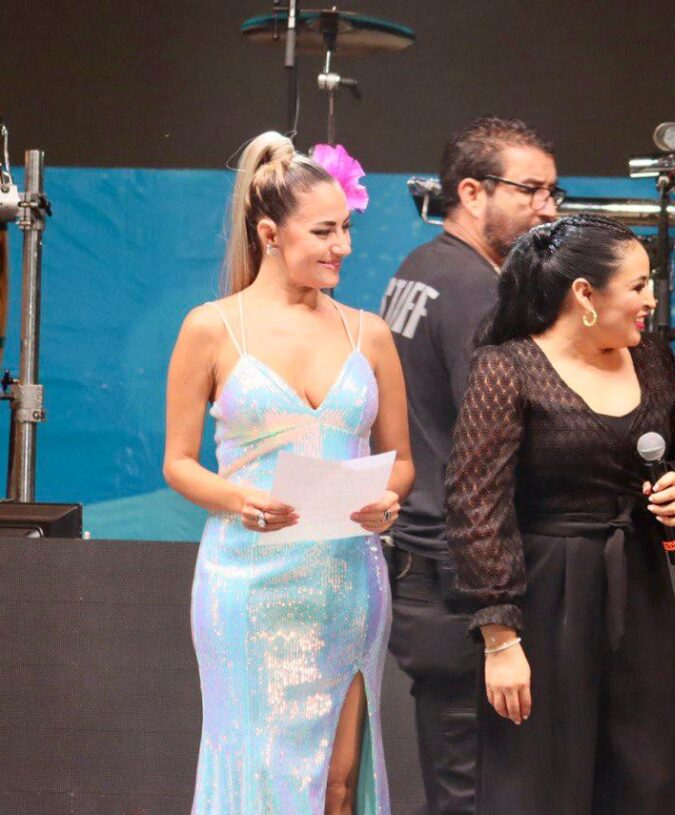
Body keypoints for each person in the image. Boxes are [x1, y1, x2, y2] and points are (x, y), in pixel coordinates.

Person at [163, 131, 414, 814]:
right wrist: (239, 498)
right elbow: (179, 462)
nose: (344, 246)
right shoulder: (212, 328)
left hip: (346, 581)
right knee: (257, 781)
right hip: (246, 584)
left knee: (338, 783)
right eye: (325, 231)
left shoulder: (369, 333)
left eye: (347, 228)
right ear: (270, 233)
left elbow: (401, 461)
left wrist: (387, 500)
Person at [445, 214, 675, 814]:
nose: (651, 300)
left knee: (648, 778)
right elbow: (475, 503)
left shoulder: (652, 358)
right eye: (638, 286)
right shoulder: (507, 368)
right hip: (544, 601)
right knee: (542, 783)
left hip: (641, 592)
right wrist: (500, 639)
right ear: (586, 294)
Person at [378, 117, 559, 814]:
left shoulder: (418, 268)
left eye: (553, 190)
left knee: (461, 782)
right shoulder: (480, 292)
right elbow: (495, 444)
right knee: (481, 790)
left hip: (425, 564)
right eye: (530, 190)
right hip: (463, 579)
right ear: (472, 192)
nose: (548, 208)